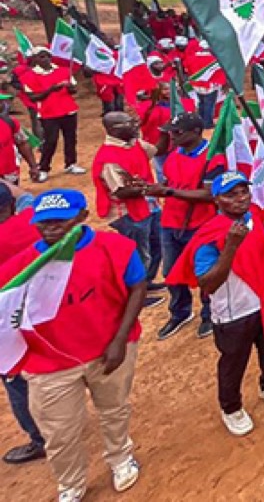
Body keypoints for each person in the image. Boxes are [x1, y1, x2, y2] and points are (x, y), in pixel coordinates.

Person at [0, 189, 147, 501]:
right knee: (59, 432)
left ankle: (121, 457)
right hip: (49, 365)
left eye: (60, 222)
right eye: (43, 223)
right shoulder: (21, 268)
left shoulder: (115, 248)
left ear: (82, 217)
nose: (51, 229)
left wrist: (120, 340)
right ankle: (70, 483)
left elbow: (137, 285)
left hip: (109, 351)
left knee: (114, 409)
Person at [167, 171, 264, 436]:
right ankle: (231, 408)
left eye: (243, 192)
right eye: (230, 195)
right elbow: (208, 283)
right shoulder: (208, 236)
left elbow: (258, 249)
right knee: (234, 361)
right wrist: (230, 246)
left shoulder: (254, 217)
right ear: (217, 201)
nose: (240, 199)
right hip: (234, 311)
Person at [143, 113, 218, 340]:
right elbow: (169, 183)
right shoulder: (175, 155)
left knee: (204, 271)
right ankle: (179, 312)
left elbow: (209, 194)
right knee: (171, 272)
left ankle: (210, 313)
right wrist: (152, 187)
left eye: (177, 132)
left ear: (196, 132)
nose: (171, 137)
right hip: (170, 221)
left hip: (200, 224)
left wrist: (167, 192)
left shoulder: (212, 157)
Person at [0, 181, 46, 466]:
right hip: (44, 307)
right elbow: (28, 196)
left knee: (14, 377)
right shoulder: (34, 219)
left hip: (8, 318)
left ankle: (40, 438)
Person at [92, 112, 159, 290]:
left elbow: (155, 150)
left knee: (154, 247)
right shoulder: (109, 158)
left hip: (146, 206)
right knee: (139, 254)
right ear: (114, 130)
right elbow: (122, 192)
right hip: (128, 213)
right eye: (129, 123)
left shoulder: (133, 143)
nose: (135, 125)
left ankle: (146, 283)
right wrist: (152, 189)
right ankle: (135, 291)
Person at [22, 48, 84, 177]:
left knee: (71, 138)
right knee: (50, 141)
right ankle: (44, 168)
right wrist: (51, 90)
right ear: (35, 59)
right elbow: (33, 97)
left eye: (48, 56)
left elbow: (74, 91)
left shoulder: (64, 71)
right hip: (48, 113)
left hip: (68, 109)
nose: (46, 59)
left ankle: (71, 164)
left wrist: (70, 87)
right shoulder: (29, 76)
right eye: (42, 57)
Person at [0, 92, 40, 184]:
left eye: (2, 102)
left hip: (8, 173)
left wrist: (33, 166)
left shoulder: (11, 122)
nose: (3, 105)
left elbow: (22, 143)